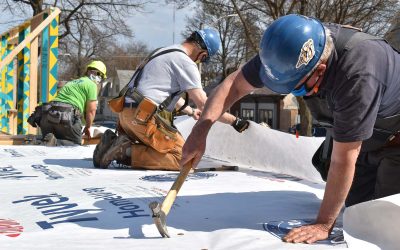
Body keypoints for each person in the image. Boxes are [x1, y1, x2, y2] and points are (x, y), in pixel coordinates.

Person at [180, 14, 400, 244]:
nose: (291, 93)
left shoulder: (357, 74)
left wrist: (323, 224)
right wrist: (200, 132)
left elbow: (343, 159)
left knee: (385, 224)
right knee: (358, 215)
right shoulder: (286, 50)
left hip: (396, 139)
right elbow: (233, 84)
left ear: (321, 70)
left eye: (296, 89)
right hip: (369, 137)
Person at [94, 28, 249, 170]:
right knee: (185, 158)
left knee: (165, 146)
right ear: (203, 55)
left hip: (125, 117)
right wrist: (234, 121)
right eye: (202, 60)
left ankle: (115, 144)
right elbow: (206, 105)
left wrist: (190, 111)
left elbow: (158, 94)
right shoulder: (186, 62)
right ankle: (124, 152)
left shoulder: (162, 52)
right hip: (142, 119)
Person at [29, 60, 106, 146]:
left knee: (48, 141)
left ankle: (38, 141)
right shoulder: (91, 85)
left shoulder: (72, 83)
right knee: (75, 145)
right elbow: (92, 110)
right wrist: (88, 127)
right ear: (100, 76)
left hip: (48, 115)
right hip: (66, 116)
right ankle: (54, 142)